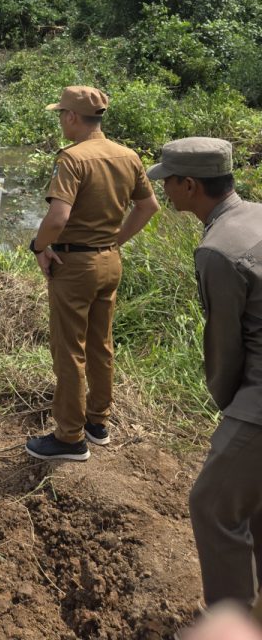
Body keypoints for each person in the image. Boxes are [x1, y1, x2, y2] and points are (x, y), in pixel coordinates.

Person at [147, 137, 262, 613]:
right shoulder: (256, 214)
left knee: (212, 505)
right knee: (252, 502)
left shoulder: (217, 249)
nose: (165, 192)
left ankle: (232, 623)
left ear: (190, 185)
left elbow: (224, 349)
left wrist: (229, 409)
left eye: (168, 182)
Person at [25, 86, 159, 461]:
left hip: (75, 267)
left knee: (69, 351)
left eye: (61, 114)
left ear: (71, 117)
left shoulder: (72, 159)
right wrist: (115, 240)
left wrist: (39, 247)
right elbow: (148, 207)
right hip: (109, 262)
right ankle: (97, 423)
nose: (60, 121)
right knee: (101, 344)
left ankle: (69, 438)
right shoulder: (127, 156)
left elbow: (58, 217)